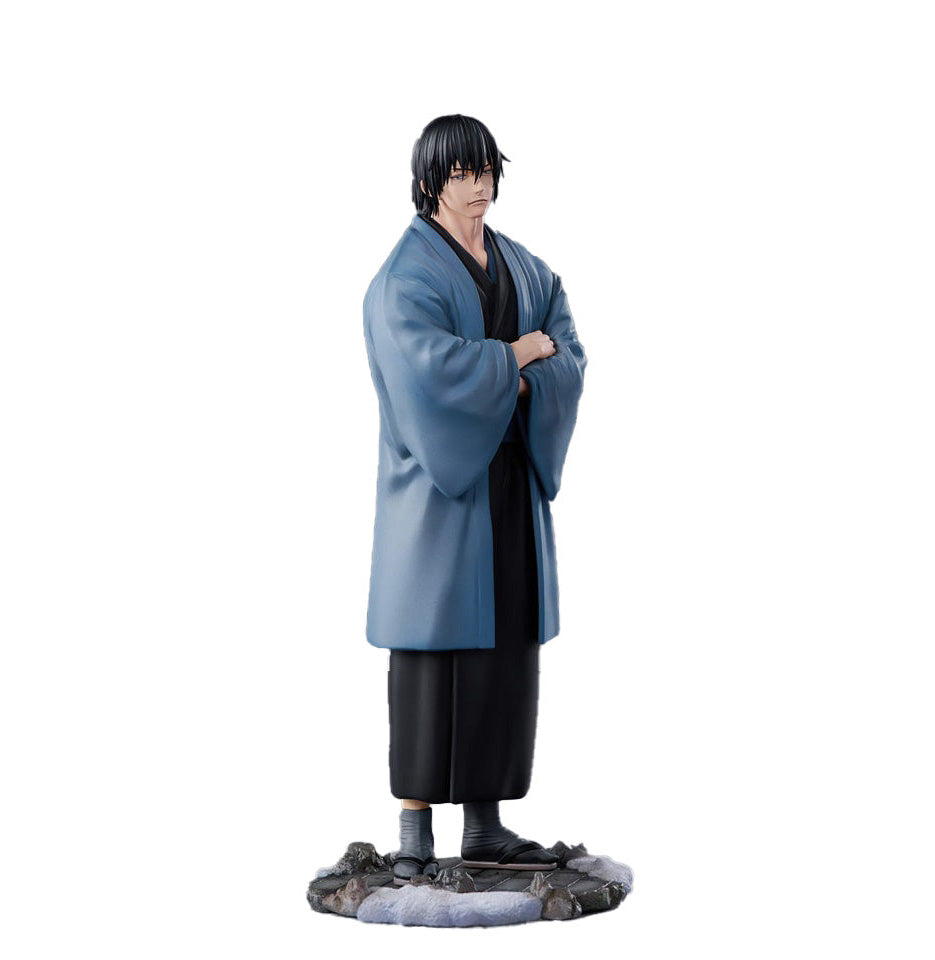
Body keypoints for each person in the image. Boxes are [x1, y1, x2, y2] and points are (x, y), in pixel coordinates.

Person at [362, 115, 587, 882]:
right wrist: (515, 356)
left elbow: (567, 351)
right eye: (461, 173)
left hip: (508, 486)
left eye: (486, 170)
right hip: (439, 497)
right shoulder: (404, 278)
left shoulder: (524, 267)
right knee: (430, 657)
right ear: (429, 181)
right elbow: (425, 371)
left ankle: (486, 827)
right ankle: (414, 834)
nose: (478, 185)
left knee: (502, 653)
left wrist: (512, 373)